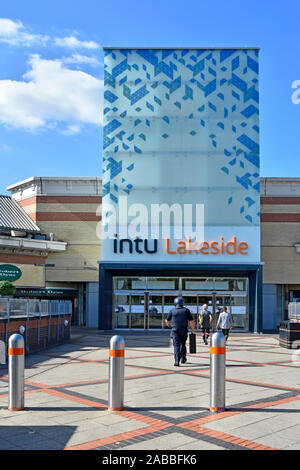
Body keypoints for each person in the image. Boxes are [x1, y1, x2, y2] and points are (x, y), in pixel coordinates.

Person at [165, 297, 195, 366]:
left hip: (175, 330)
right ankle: (183, 358)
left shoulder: (172, 310)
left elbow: (167, 320)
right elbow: (191, 321)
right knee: (183, 344)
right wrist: (193, 330)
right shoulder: (186, 310)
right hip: (184, 330)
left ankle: (176, 361)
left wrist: (170, 325)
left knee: (176, 345)